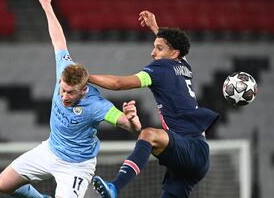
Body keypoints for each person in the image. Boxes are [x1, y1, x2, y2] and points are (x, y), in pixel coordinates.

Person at [0, 0, 142, 198]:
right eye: (62, 90)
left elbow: (131, 128)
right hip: (50, 150)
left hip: (76, 166)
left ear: (84, 91)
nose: (64, 96)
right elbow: (58, 39)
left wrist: (133, 119)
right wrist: (46, 5)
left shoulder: (96, 105)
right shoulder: (64, 68)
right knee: (2, 184)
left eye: (70, 93)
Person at [90, 10, 219, 198]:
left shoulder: (160, 68)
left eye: (158, 48)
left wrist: (86, 76)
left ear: (173, 53)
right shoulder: (184, 65)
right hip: (193, 157)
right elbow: (174, 46)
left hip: (190, 150)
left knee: (148, 135)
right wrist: (155, 28)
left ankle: (115, 187)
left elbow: (118, 84)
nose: (153, 53)